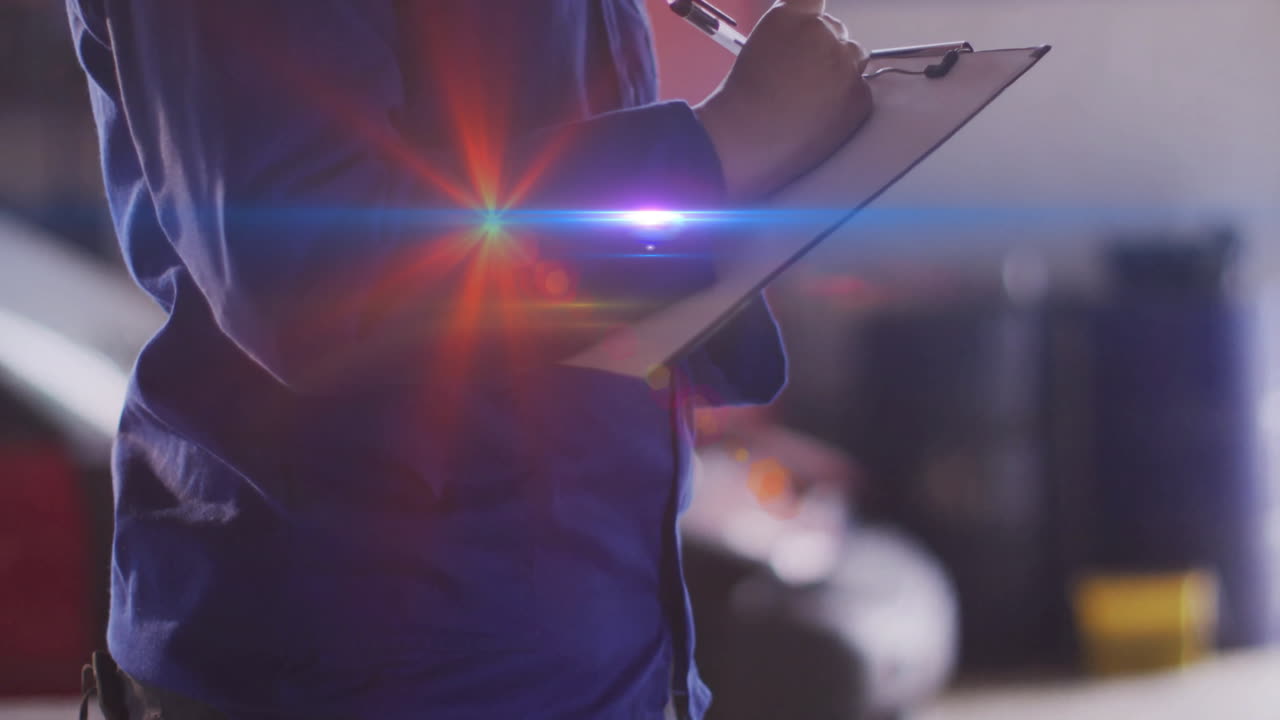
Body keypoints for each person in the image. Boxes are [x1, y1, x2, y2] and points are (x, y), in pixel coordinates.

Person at [67, 1, 872, 718]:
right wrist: (727, 141)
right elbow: (307, 272)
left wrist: (747, 170)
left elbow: (551, 267)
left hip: (605, 649)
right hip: (358, 666)